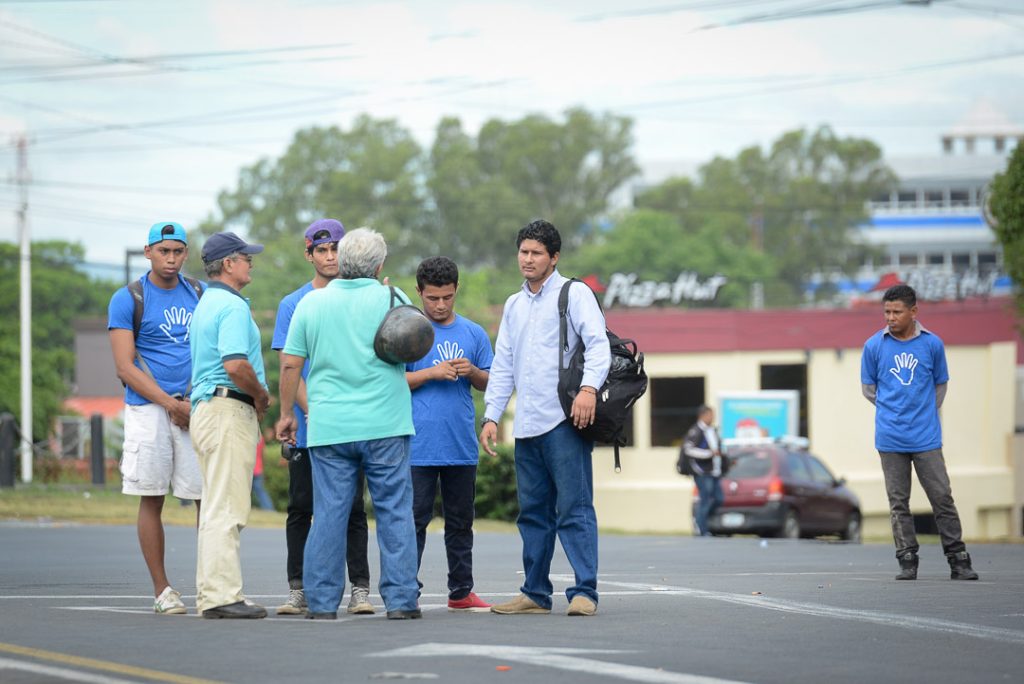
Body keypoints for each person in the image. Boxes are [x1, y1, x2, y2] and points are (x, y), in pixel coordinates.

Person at [275, 227, 421, 620]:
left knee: (329, 513)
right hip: (386, 423)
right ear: (378, 265)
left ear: (341, 261)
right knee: (394, 510)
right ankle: (403, 600)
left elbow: (290, 364)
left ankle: (321, 602)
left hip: (330, 425)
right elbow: (413, 350)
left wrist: (287, 413)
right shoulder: (394, 297)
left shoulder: (311, 304)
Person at [480, 219, 610, 617]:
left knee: (575, 508)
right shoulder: (514, 304)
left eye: (537, 253)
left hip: (565, 422)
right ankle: (534, 593)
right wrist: (491, 416)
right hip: (527, 425)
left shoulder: (575, 294)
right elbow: (503, 364)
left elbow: (599, 345)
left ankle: (584, 591)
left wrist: (588, 390)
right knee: (533, 513)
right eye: (524, 252)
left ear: (554, 258)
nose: (528, 259)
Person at [271, 218, 375, 616]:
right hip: (309, 423)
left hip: (352, 422)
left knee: (352, 508)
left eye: (335, 249)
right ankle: (298, 588)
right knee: (301, 506)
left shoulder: (361, 295)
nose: (330, 257)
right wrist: (313, 411)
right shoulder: (294, 303)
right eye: (322, 250)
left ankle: (360, 589)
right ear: (309, 253)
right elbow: (289, 364)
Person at [107, 221, 204, 615]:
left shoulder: (199, 292)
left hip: (194, 406)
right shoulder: (129, 297)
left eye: (178, 251)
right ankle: (163, 590)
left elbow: (211, 349)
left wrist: (192, 400)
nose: (171, 258)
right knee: (152, 496)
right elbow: (124, 367)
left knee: (205, 498)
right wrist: (170, 404)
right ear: (148, 252)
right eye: (163, 251)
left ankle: (213, 584)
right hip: (149, 410)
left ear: (186, 253)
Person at [861, 283, 979, 581]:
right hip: (890, 439)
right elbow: (869, 389)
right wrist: (893, 410)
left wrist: (923, 411)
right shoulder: (874, 346)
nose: (890, 317)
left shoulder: (932, 344)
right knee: (898, 502)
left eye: (897, 312)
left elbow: (940, 385)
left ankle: (958, 559)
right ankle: (907, 560)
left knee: (942, 497)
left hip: (926, 438)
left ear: (913, 312)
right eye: (886, 311)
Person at [189, 231, 271, 619]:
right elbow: (236, 364)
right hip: (227, 407)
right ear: (228, 264)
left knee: (214, 506)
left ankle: (212, 592)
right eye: (244, 257)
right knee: (226, 508)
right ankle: (222, 596)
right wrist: (261, 395)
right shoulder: (233, 307)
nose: (249, 262)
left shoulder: (205, 302)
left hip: (207, 408)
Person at [405, 256, 493, 612]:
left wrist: (472, 370)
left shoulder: (473, 333)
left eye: (447, 297)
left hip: (460, 445)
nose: (440, 305)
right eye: (432, 298)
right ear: (419, 293)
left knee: (461, 523)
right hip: (416, 445)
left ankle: (461, 592)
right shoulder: (406, 332)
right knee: (413, 522)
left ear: (456, 290)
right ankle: (405, 590)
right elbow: (390, 382)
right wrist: (431, 373)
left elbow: (492, 383)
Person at [683, 405, 726, 537]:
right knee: (705, 500)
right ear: (703, 415)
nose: (712, 418)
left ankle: (704, 520)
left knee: (719, 498)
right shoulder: (696, 431)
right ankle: (702, 529)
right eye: (710, 415)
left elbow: (718, 449)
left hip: (714, 471)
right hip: (702, 472)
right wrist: (708, 454)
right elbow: (688, 449)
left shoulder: (712, 430)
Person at [252, 436, 274, 511]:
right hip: (258, 469)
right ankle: (269, 509)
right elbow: (262, 455)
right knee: (261, 492)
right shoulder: (261, 438)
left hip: (249, 469)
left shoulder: (246, 434)